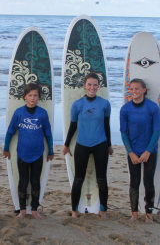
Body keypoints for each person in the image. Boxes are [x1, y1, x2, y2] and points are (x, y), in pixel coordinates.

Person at [62, 72, 112, 218]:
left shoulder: (105, 104)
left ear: (98, 86)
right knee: (79, 179)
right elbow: (73, 126)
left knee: (101, 179)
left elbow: (107, 126)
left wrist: (108, 145)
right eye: (89, 84)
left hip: (100, 145)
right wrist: (66, 144)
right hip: (82, 145)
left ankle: (103, 210)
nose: (92, 87)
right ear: (84, 86)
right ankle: (74, 210)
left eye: (95, 85)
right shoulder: (77, 105)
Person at [4, 83, 54, 219]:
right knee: (23, 181)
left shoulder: (42, 114)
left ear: (39, 98)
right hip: (22, 153)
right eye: (30, 95)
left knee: (36, 181)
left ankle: (34, 210)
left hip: (38, 153)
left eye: (35, 95)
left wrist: (51, 150)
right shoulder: (19, 113)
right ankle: (21, 210)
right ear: (24, 97)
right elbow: (10, 132)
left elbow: (48, 134)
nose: (33, 98)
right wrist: (6, 148)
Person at [120, 78, 160, 223]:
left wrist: (148, 151)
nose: (134, 91)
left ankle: (149, 213)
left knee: (148, 182)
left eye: (137, 89)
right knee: (134, 182)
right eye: (131, 89)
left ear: (144, 90)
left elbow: (157, 131)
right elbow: (123, 133)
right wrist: (130, 152)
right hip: (133, 152)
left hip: (149, 151)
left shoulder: (152, 108)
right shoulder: (125, 109)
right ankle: (134, 213)